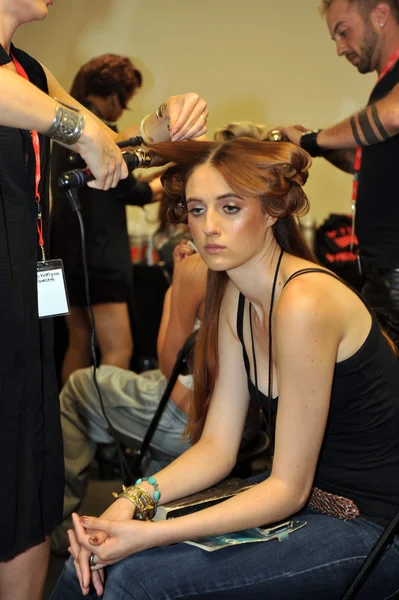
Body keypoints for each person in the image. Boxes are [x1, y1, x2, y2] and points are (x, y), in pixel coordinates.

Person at [51, 137, 399, 599]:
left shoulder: (305, 302)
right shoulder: (237, 296)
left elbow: (288, 489)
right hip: (303, 508)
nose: (209, 227)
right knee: (87, 564)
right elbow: (217, 447)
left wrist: (149, 533)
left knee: (134, 579)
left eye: (229, 208)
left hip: (371, 527)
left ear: (272, 210)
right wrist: (133, 502)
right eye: (197, 210)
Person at [0, 1, 208, 597]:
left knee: (28, 476)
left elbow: (108, 145)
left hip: (24, 305)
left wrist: (161, 125)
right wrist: (81, 126)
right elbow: (80, 129)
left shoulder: (32, 74)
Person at [51, 246, 207, 555]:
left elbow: (169, 364)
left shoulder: (198, 269)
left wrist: (176, 285)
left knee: (79, 385)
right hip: (245, 425)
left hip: (191, 418)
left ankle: (57, 531)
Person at [276, 0, 399, 350]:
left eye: (343, 32)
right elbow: (366, 160)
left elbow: (392, 116)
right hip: (380, 271)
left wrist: (314, 138)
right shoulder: (386, 85)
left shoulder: (392, 96)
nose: (340, 48)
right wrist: (313, 148)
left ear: (380, 14)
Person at [51, 54, 159, 384]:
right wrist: (168, 183)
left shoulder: (63, 129)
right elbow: (133, 191)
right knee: (118, 348)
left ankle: (69, 429)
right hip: (98, 258)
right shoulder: (98, 134)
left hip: (63, 254)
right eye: (122, 104)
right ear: (114, 96)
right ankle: (105, 431)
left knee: (79, 339)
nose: (119, 113)